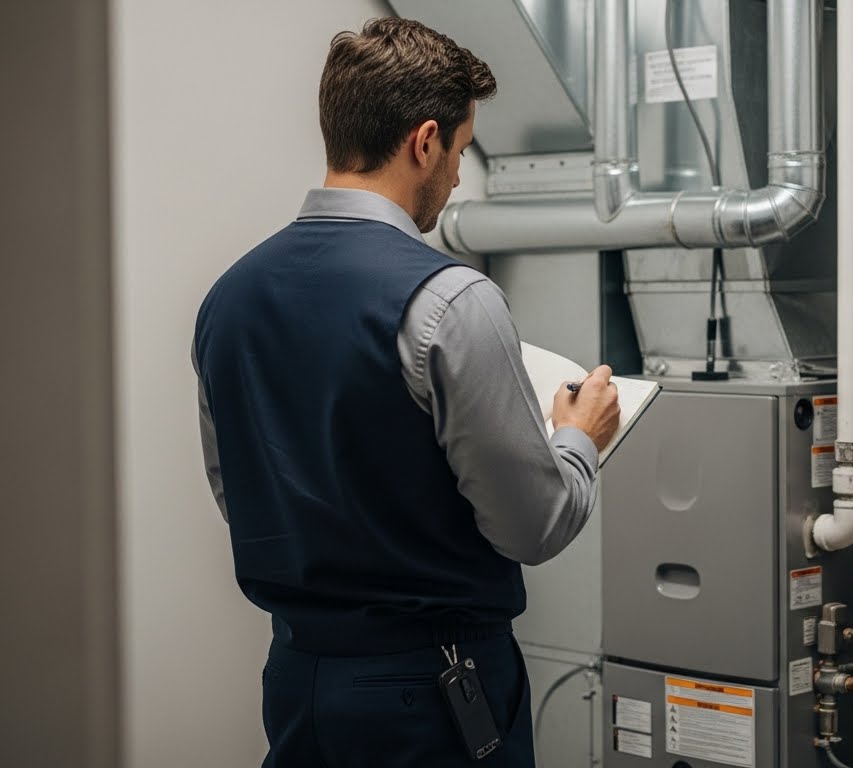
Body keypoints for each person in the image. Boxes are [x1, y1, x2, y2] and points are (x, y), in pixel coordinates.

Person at [192, 18, 619, 767]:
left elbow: (242, 492)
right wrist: (578, 437)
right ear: (424, 141)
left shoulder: (228, 299)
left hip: (297, 679)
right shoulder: (452, 300)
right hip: (432, 690)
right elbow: (535, 526)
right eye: (457, 152)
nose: (456, 177)